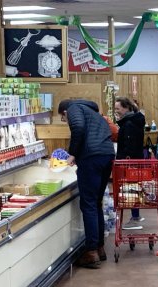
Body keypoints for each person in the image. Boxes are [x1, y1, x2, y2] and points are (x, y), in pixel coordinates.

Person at [58, 98, 115, 268]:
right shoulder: (93, 112)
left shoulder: (74, 108)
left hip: (91, 157)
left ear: (65, 112)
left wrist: (73, 154)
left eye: (63, 118)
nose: (65, 121)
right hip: (107, 155)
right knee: (96, 203)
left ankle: (91, 252)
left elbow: (78, 128)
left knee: (88, 203)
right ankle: (99, 247)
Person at [114, 97, 147, 228]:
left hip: (129, 162)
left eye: (118, 108)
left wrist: (124, 159)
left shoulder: (128, 124)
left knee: (131, 189)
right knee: (134, 187)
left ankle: (134, 217)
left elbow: (129, 144)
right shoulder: (135, 120)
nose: (116, 111)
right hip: (136, 159)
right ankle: (136, 215)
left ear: (126, 108)